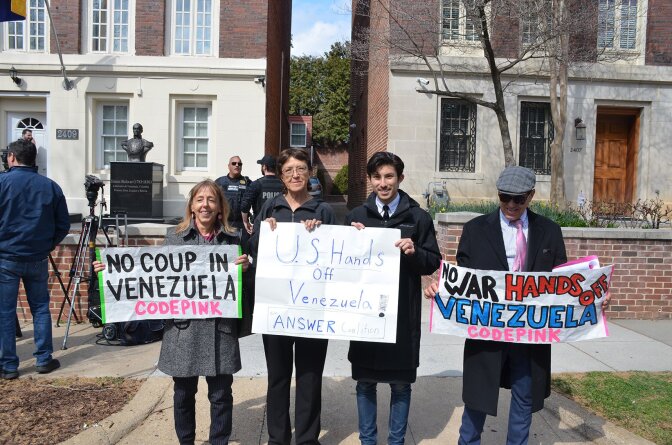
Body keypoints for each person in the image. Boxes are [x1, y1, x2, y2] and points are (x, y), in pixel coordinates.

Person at [94, 179, 250, 445]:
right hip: (184, 328)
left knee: (221, 395)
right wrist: (113, 272)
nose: (205, 205)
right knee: (183, 394)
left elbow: (241, 289)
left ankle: (219, 442)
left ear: (220, 207)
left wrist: (244, 270)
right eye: (200, 199)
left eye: (211, 200)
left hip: (219, 328)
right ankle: (186, 441)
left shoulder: (233, 239)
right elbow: (152, 275)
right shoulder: (174, 237)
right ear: (191, 206)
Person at [424, 165, 570, 445]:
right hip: (486, 329)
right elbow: (463, 278)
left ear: (531, 196)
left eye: (519, 199)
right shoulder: (476, 230)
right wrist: (439, 288)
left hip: (529, 331)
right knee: (479, 394)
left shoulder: (549, 232)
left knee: (525, 394)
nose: (511, 205)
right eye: (504, 197)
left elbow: (563, 281)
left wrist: (592, 298)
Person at [345, 152, 441, 445]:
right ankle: (368, 440)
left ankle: (396, 441)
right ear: (370, 180)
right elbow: (342, 268)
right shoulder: (356, 217)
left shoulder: (418, 217)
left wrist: (415, 252)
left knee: (400, 385)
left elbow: (432, 262)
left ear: (401, 178)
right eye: (377, 177)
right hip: (366, 314)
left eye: (389, 177)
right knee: (365, 383)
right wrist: (352, 242)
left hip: (402, 313)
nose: (383, 183)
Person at [248, 148, 335, 445]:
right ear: (281, 177)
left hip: (313, 308)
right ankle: (278, 438)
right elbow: (252, 248)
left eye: (300, 169)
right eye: (289, 170)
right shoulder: (270, 208)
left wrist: (320, 234)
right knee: (278, 375)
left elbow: (338, 258)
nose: (295, 175)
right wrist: (265, 231)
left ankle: (308, 438)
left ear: (309, 172)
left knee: (310, 376)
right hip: (277, 306)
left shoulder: (323, 211)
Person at [0, 139, 70, 380]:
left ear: (11, 157)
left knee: (5, 311)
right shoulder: (50, 186)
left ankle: (9, 365)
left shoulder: (2, 182)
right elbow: (63, 225)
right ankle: (43, 358)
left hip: (6, 257)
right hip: (37, 255)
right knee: (40, 307)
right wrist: (47, 244)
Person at [240, 154, 284, 234]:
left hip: (260, 227)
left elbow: (244, 205)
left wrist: (245, 222)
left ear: (264, 167)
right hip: (280, 227)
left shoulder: (256, 184)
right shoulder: (283, 185)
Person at [215, 156, 251, 243]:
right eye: (234, 163)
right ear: (228, 166)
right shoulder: (219, 182)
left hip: (241, 224)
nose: (237, 165)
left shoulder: (247, 182)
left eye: (239, 164)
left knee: (242, 253)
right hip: (223, 224)